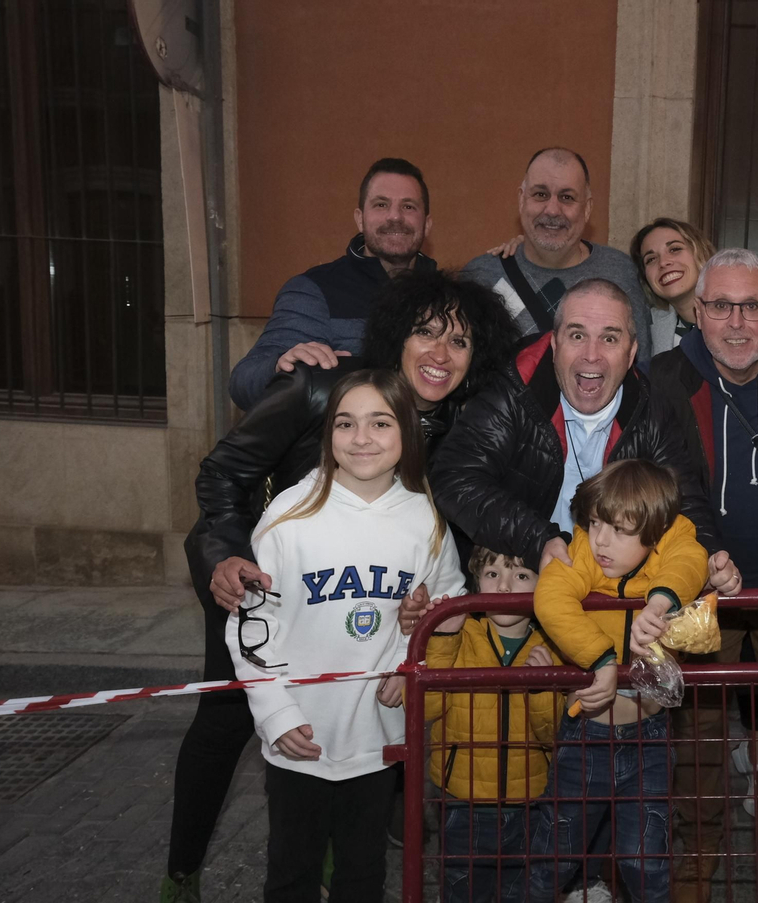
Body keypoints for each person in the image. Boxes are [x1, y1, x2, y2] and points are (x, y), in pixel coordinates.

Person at [163, 270, 515, 902]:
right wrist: (231, 560)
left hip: (364, 620)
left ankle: (342, 864)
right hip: (265, 578)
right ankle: (180, 873)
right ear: (395, 336)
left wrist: (426, 616)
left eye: (459, 342)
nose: (440, 352)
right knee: (226, 725)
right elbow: (222, 476)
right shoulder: (324, 385)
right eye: (425, 332)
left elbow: (435, 557)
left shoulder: (459, 424)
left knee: (357, 827)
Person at [226, 369, 466, 903]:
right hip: (300, 734)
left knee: (363, 874)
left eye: (380, 423)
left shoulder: (425, 518)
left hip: (375, 739)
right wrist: (274, 714)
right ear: (328, 434)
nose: (361, 438)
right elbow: (249, 626)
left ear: (407, 431)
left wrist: (410, 661)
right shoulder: (289, 517)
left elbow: (446, 608)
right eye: (345, 423)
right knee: (291, 873)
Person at [646, 247, 758, 899]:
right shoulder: (663, 377)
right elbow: (666, 481)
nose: (738, 321)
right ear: (698, 312)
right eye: (722, 305)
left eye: (753, 305)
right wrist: (704, 549)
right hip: (698, 583)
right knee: (697, 723)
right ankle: (700, 838)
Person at [428, 277, 742, 596]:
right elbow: (454, 478)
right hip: (515, 588)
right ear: (554, 344)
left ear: (631, 351)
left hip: (614, 593)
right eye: (577, 335)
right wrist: (539, 540)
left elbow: (683, 499)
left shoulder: (652, 410)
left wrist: (711, 556)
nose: (591, 355)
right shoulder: (511, 390)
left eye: (609, 338)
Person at [527, 459, 711, 903]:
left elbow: (691, 557)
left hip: (650, 739)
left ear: (654, 531)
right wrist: (603, 659)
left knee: (646, 863)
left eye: (621, 530)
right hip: (585, 738)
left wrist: (662, 600)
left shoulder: (672, 538)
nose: (602, 540)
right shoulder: (586, 550)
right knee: (552, 857)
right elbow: (550, 596)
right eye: (594, 523)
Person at [229, 157, 436, 409]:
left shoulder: (446, 297)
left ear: (426, 224)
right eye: (381, 204)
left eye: (409, 207)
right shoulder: (314, 290)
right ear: (360, 219)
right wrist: (279, 366)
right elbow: (243, 383)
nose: (394, 216)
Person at [427, 546, 559, 903]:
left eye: (520, 576)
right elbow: (423, 708)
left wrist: (542, 688)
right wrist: (441, 643)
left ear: (543, 586)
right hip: (461, 800)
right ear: (476, 583)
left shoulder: (554, 644)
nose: (504, 587)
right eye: (492, 574)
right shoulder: (460, 635)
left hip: (530, 803)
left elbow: (555, 735)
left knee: (522, 892)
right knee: (462, 890)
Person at [460, 148, 653, 360]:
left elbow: (641, 370)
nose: (552, 210)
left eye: (567, 197)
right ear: (522, 200)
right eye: (540, 194)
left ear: (587, 209)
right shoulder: (481, 276)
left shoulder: (622, 273)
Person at [628, 216, 758, 372]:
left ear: (700, 251)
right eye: (651, 259)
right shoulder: (651, 329)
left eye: (674, 249)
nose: (663, 262)